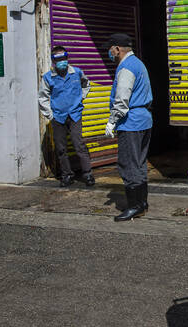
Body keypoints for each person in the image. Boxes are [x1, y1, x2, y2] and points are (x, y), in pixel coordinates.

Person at [104, 33, 153, 222]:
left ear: (117, 49)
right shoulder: (138, 64)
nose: (109, 52)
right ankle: (142, 204)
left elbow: (122, 98)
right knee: (139, 162)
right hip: (144, 120)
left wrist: (112, 121)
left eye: (110, 48)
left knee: (128, 163)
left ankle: (134, 206)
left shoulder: (126, 67)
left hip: (131, 122)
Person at [38, 46, 95, 187]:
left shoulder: (76, 72)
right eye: (58, 59)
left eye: (64, 58)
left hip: (75, 114)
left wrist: (80, 98)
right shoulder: (48, 77)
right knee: (61, 148)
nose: (62, 61)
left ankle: (87, 174)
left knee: (78, 144)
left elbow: (86, 84)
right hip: (58, 116)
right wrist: (50, 115)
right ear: (53, 61)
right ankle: (67, 175)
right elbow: (42, 97)